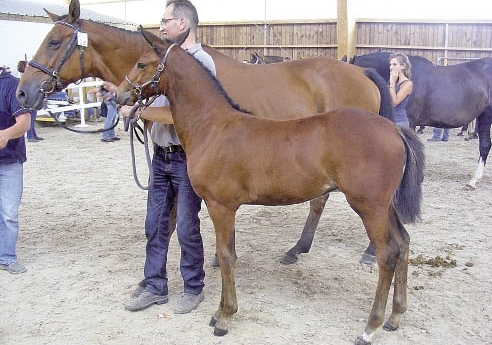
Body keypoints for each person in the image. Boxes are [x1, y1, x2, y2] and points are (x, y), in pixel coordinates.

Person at [105, 0, 214, 314]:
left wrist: (138, 110)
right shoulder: (164, 58)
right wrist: (123, 91)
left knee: (186, 225)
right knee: (154, 224)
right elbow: (151, 91)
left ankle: (194, 287)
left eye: (166, 20)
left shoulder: (200, 61)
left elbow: (185, 114)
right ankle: (155, 285)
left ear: (182, 23)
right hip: (161, 155)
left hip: (187, 157)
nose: (161, 26)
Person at [0, 65, 31, 274]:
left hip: (9, 161)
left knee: (9, 213)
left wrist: (6, 134)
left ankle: (7, 257)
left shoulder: (11, 86)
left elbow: (25, 122)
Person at [17, 60, 43, 142]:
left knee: (33, 118)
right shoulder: (24, 77)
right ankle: (30, 136)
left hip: (33, 100)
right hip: (29, 101)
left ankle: (33, 135)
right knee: (30, 119)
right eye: (27, 66)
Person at [388, 53, 413, 128]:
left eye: (395, 64)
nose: (391, 67)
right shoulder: (393, 82)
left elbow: (395, 102)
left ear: (403, 66)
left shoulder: (408, 83)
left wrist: (392, 82)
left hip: (399, 122)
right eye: (390, 64)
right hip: (389, 120)